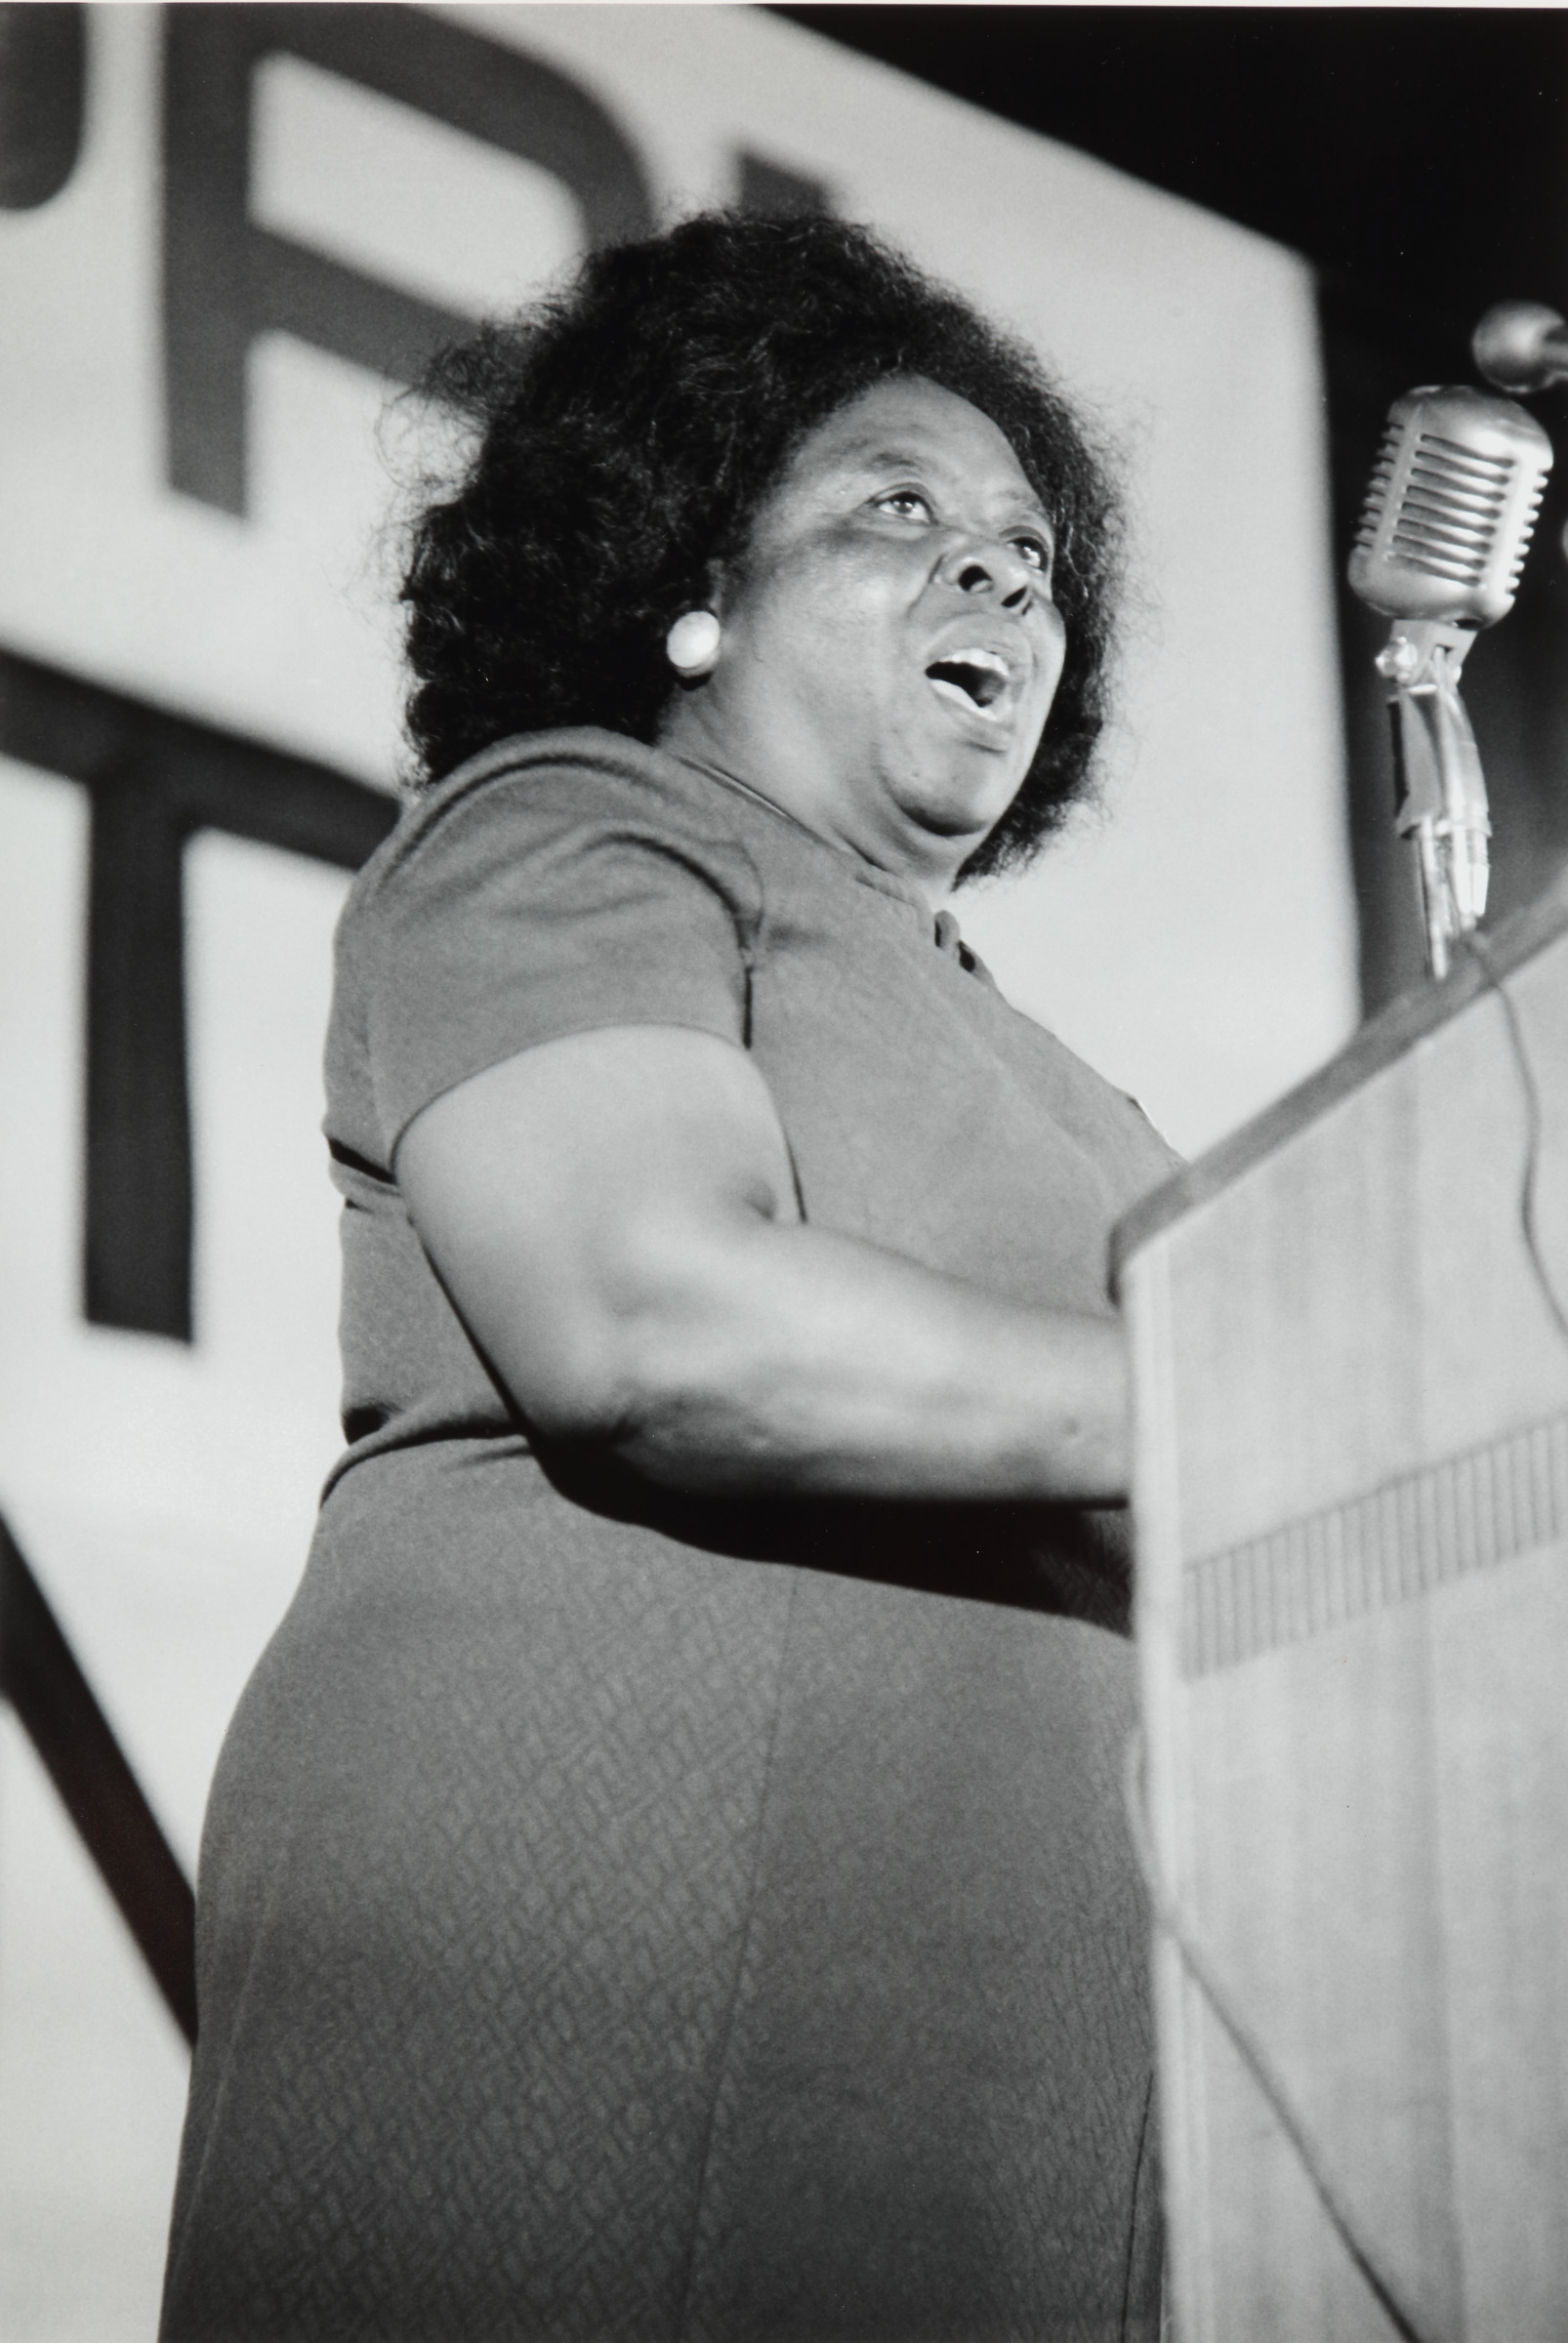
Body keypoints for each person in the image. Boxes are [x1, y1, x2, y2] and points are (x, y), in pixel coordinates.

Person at [160, 211, 1179, 2342]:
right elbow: (650, 1316)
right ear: (691, 588)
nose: (1000, 571)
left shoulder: (1091, 1099)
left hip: (1011, 2095)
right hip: (581, 1950)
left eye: (1025, 545)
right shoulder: (573, 833)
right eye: (895, 508)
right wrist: (1262, 1415)